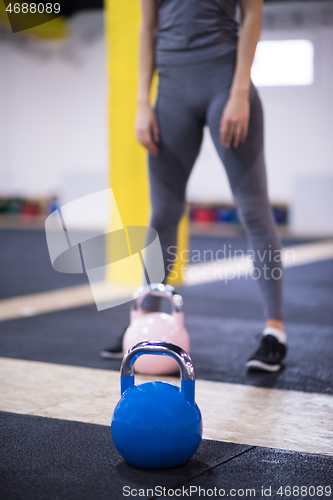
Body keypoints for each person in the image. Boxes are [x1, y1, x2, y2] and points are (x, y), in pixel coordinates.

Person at [101, 0, 287, 372]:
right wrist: (142, 100)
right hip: (170, 95)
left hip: (226, 86)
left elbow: (252, 13)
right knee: (164, 212)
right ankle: (145, 319)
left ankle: (275, 332)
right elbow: (148, 26)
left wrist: (239, 91)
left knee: (253, 210)